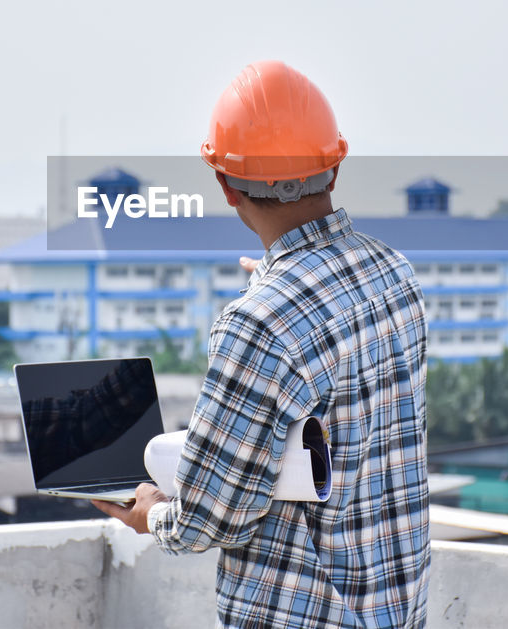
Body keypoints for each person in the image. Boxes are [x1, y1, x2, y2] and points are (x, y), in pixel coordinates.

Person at [95, 61, 430, 628]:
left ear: (225, 186)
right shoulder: (396, 276)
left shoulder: (258, 324)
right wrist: (272, 295)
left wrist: (153, 516)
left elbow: (209, 519)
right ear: (334, 167)